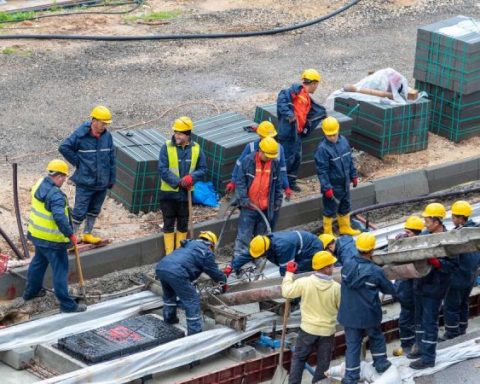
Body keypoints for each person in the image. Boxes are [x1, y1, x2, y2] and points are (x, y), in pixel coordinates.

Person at [23, 160, 87, 313]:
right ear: (58, 176)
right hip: (53, 241)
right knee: (60, 270)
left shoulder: (39, 184)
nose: (64, 180)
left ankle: (30, 293)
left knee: (38, 264)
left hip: (38, 236)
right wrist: (70, 234)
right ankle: (67, 305)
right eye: (64, 177)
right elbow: (59, 218)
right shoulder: (56, 196)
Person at [338, 232, 396, 384]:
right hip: (369, 315)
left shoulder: (347, 265)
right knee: (376, 338)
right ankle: (381, 365)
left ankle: (351, 377)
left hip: (349, 315)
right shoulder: (375, 271)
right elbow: (389, 290)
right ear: (372, 250)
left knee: (352, 345)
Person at [408, 203, 459, 369]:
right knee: (420, 319)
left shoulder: (449, 239)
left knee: (429, 321)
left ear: (437, 221)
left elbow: (453, 265)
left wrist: (437, 263)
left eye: (427, 219)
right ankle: (421, 348)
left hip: (435, 287)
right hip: (420, 283)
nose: (424, 222)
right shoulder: (424, 235)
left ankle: (428, 358)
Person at [59, 105, 115, 244]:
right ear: (94, 121)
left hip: (102, 183)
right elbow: (64, 147)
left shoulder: (107, 136)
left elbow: (112, 159)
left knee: (94, 210)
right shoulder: (81, 135)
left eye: (106, 123)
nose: (105, 126)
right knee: (79, 212)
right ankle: (71, 239)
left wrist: (111, 178)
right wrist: (78, 162)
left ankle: (87, 234)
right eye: (103, 123)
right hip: (85, 182)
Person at [282, 251, 340, 384]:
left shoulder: (304, 283)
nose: (333, 268)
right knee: (323, 364)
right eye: (332, 266)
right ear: (326, 268)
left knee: (299, 359)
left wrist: (289, 273)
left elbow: (286, 292)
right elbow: (341, 309)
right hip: (327, 332)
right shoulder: (336, 288)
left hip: (308, 330)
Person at [155, 231, 226, 335]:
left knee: (169, 296)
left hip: (162, 267)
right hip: (177, 273)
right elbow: (214, 272)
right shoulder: (206, 252)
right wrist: (223, 281)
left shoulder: (188, 244)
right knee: (192, 300)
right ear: (211, 244)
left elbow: (185, 260)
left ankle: (170, 320)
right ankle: (194, 333)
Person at [157, 116, 207, 255]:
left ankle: (179, 254)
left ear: (187, 135)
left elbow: (202, 169)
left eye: (179, 133)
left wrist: (192, 177)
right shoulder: (166, 147)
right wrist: (179, 182)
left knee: (183, 224)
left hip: (186, 195)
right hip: (168, 194)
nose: (176, 136)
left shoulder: (196, 149)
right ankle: (169, 254)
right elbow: (162, 170)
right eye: (175, 132)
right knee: (168, 223)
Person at [233, 137, 283, 261]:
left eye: (272, 156)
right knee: (244, 236)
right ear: (260, 151)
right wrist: (243, 198)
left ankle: (258, 259)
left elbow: (278, 184)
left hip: (266, 208)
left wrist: (278, 200)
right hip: (249, 207)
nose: (270, 159)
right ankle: (239, 261)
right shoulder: (248, 161)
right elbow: (240, 182)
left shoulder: (274, 164)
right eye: (267, 156)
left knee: (262, 238)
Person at [276, 69, 326, 192]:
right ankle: (281, 185)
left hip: (296, 134)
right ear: (314, 83)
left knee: (296, 158)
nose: (316, 87)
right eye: (317, 85)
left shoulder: (307, 98)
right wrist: (289, 115)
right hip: (288, 133)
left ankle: (291, 182)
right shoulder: (295, 91)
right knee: (286, 159)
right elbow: (281, 99)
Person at [441, 201, 480, 340]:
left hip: (458, 277)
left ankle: (452, 333)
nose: (452, 219)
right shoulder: (475, 230)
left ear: (459, 218)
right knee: (464, 303)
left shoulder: (457, 234)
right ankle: (462, 329)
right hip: (471, 276)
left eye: (453, 216)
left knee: (451, 306)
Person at [315, 116, 360, 236]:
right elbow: (322, 171)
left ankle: (345, 227)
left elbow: (349, 160)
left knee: (345, 205)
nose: (332, 137)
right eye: (329, 135)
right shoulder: (322, 149)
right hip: (333, 186)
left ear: (338, 130)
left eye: (334, 134)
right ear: (324, 133)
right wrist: (326, 187)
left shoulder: (344, 141)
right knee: (330, 210)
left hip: (344, 183)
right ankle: (328, 233)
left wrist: (353, 175)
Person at [225, 121, 292, 200]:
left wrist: (286, 186)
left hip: (268, 185)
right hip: (251, 184)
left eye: (271, 137)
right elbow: (239, 165)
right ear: (260, 135)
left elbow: (282, 169)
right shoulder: (251, 147)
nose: (268, 139)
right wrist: (233, 181)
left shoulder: (279, 149)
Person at [226, 230, 324, 277]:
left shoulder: (283, 247)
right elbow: (248, 255)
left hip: (311, 250)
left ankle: (296, 300)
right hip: (298, 248)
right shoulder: (262, 243)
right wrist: (231, 266)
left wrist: (284, 289)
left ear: (266, 250)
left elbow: (285, 271)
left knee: (297, 272)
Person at [392, 216, 424, 357]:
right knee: (406, 319)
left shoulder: (420, 247)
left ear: (417, 233)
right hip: (405, 290)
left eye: (409, 232)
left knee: (417, 320)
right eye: (405, 231)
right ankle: (406, 345)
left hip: (415, 291)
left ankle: (417, 345)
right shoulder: (401, 244)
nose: (405, 234)